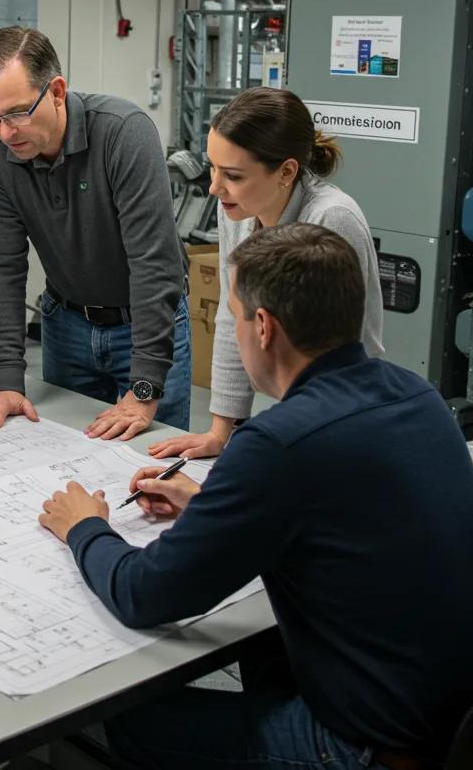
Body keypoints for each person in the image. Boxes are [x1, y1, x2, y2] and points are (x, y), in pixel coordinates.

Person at [39, 224, 473, 770]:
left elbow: (144, 595)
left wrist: (84, 526)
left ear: (263, 327)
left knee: (128, 717)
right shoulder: (416, 395)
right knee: (266, 651)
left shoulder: (278, 441)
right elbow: (346, 517)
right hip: (446, 719)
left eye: (234, 314)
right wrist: (207, 507)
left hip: (365, 748)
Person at [0, 26, 191, 435]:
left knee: (153, 473)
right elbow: (0, 264)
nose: (5, 131)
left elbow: (154, 263)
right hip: (65, 326)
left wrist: (144, 387)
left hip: (144, 326)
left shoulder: (123, 132)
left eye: (17, 112)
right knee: (62, 458)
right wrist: (6, 379)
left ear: (55, 90)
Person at [150, 87, 383, 461]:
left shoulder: (331, 218)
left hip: (343, 420)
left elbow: (348, 353)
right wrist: (220, 432)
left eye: (233, 175)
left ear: (286, 171)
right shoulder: (240, 212)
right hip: (294, 412)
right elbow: (232, 316)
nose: (214, 187)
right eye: (212, 167)